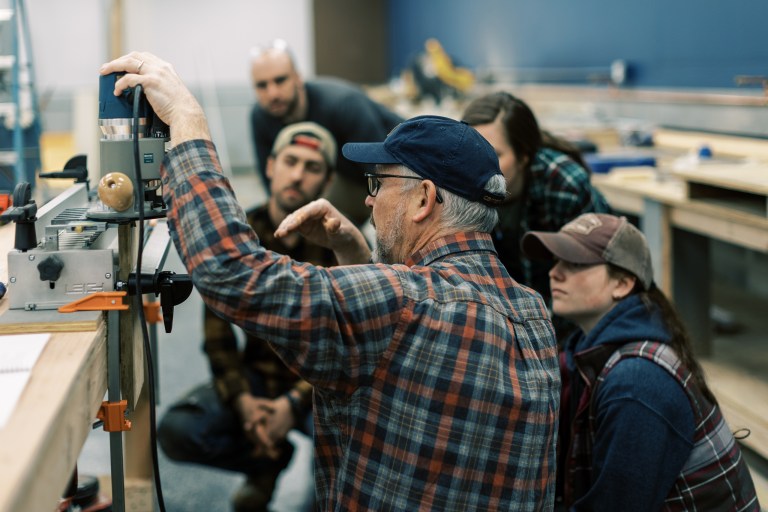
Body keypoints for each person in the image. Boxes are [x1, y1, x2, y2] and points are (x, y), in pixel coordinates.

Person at [101, 52, 561, 511]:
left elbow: (231, 271)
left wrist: (187, 120)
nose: (369, 200)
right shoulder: (535, 316)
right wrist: (358, 258)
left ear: (423, 199)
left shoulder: (403, 302)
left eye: (379, 184)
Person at [521, 213, 760, 511]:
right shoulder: (592, 353)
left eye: (576, 263)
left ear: (622, 284)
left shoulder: (637, 383)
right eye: (557, 261)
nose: (554, 272)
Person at [157, 122, 338, 512]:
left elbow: (344, 349)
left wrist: (293, 403)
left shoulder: (338, 245)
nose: (297, 175)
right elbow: (218, 336)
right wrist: (241, 400)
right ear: (271, 166)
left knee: (357, 443)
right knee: (178, 431)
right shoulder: (240, 238)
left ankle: (325, 488)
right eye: (290, 161)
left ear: (327, 181)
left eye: (312, 167)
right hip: (255, 378)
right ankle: (267, 463)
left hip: (317, 388)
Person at [462, 91, 613, 341]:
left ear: (523, 156)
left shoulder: (564, 186)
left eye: (495, 154)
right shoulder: (458, 182)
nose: (479, 165)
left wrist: (547, 347)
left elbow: (588, 287)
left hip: (567, 318)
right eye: (472, 152)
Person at [249, 39, 404, 226]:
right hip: (342, 172)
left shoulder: (343, 104)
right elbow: (273, 183)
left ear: (298, 78)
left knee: (329, 224)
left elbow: (385, 173)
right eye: (262, 85)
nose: (272, 93)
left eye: (280, 80)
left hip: (399, 167)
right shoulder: (261, 116)